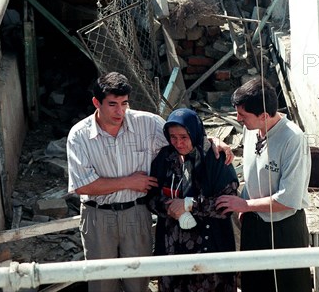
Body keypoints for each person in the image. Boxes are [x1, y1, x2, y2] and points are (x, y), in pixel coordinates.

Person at [67, 72, 233, 292]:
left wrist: (213, 140)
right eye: (112, 104)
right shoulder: (79, 136)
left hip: (136, 214)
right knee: (101, 282)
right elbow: (82, 186)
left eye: (124, 103)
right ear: (97, 103)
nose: (120, 111)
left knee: (138, 280)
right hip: (98, 216)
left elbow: (182, 136)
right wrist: (129, 182)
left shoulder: (147, 123)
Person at [216, 77, 313, 292]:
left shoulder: (293, 139)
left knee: (291, 285)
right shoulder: (251, 131)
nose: (238, 119)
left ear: (264, 116)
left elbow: (289, 200)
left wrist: (244, 206)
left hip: (284, 228)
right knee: (254, 283)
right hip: (254, 223)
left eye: (243, 115)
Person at [148, 108, 239, 292]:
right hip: (172, 248)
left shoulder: (214, 158)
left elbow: (227, 204)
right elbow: (150, 197)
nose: (178, 143)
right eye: (173, 137)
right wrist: (169, 207)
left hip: (209, 247)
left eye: (184, 137)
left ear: (194, 132)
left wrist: (189, 205)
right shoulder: (165, 159)